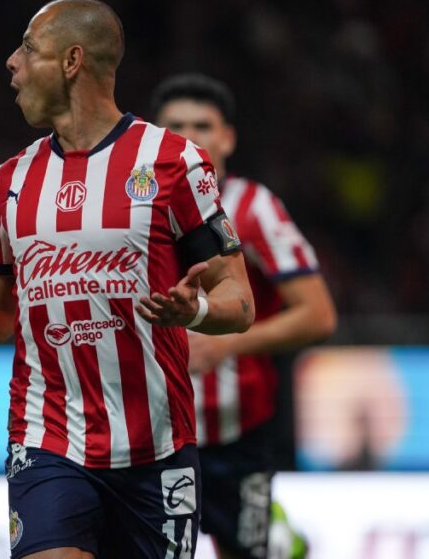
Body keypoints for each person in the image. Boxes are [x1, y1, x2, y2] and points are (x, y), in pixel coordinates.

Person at [0, 0, 255, 559]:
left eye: (28, 48)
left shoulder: (173, 163)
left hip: (158, 450)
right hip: (48, 442)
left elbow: (239, 299)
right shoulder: (11, 181)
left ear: (71, 61)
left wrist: (197, 313)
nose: (11, 63)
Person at [151, 73, 337, 559]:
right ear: (154, 136)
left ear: (227, 137)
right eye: (175, 126)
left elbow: (318, 315)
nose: (190, 138)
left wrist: (227, 342)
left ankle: (279, 540)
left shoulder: (253, 209)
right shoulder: (131, 209)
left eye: (203, 125)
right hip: (152, 436)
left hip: (239, 437)